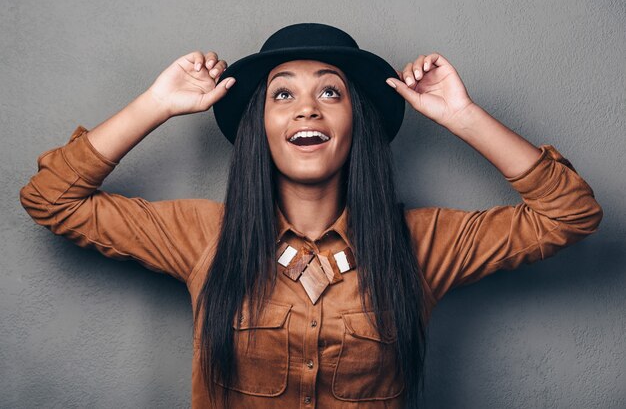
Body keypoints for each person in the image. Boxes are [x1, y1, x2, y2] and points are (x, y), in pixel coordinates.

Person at [19, 22, 603, 409]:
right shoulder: (204, 236)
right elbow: (51, 198)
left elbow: (570, 213)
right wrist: (157, 103)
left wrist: (463, 116)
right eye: (282, 94)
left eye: (330, 92)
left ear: (358, 122)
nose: (306, 107)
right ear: (261, 127)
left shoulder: (423, 244)